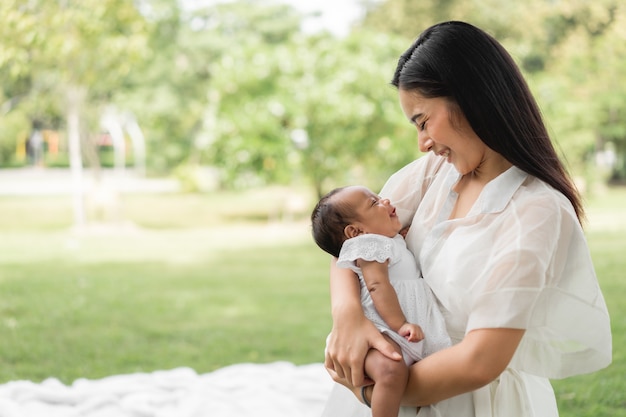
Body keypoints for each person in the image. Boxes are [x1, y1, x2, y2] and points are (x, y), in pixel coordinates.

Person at [321, 21, 612, 417]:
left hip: (469, 401)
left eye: (423, 121)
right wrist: (348, 317)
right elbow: (353, 244)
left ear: (471, 98)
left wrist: (376, 389)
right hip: (393, 376)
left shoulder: (536, 212)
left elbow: (479, 361)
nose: (422, 142)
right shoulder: (434, 174)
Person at [311, 185, 452, 417]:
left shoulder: (386, 241)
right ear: (355, 233)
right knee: (390, 371)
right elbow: (378, 286)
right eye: (374, 203)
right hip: (383, 329)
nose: (386, 201)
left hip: (395, 332)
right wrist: (400, 325)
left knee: (400, 374)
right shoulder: (369, 245)